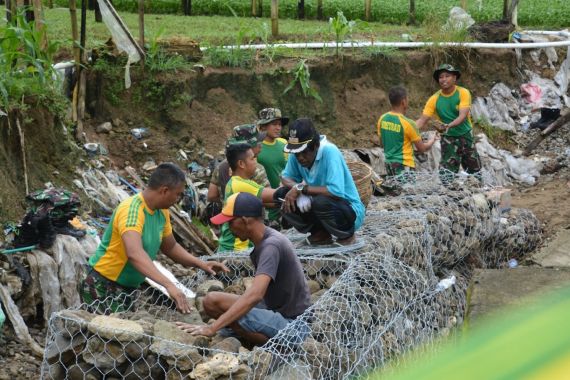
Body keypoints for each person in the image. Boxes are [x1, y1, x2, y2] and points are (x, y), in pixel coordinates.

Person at [81, 163, 228, 314]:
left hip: (127, 289)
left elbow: (170, 247)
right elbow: (134, 253)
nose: (178, 199)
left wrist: (200, 263)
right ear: (164, 190)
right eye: (178, 194)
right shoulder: (132, 210)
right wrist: (169, 285)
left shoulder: (161, 212)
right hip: (103, 285)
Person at [177, 192, 311, 345]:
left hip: (294, 325)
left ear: (245, 220)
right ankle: (242, 332)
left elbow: (255, 295)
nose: (228, 227)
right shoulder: (263, 241)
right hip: (272, 310)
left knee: (236, 317)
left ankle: (277, 348)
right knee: (211, 301)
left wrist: (212, 328)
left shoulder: (271, 246)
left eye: (230, 222)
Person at [277, 118, 365, 245]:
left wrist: (301, 189)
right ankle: (319, 232)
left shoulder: (330, 151)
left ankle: (345, 234)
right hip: (319, 205)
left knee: (321, 202)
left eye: (304, 152)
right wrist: (297, 189)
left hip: (347, 209)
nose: (300, 158)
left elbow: (335, 191)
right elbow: (285, 177)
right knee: (282, 195)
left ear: (316, 145)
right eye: (297, 154)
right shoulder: (296, 153)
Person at [416, 64, 482, 182]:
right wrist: (407, 129)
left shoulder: (463, 92)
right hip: (448, 138)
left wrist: (448, 125)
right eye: (441, 77)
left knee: (474, 168)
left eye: (447, 76)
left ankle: (478, 191)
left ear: (455, 78)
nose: (444, 79)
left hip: (465, 135)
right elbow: (422, 120)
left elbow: (462, 115)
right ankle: (451, 195)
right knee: (448, 171)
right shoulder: (434, 99)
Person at [217, 144, 276, 252]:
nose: (256, 162)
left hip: (231, 247)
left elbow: (271, 202)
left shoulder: (238, 182)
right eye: (252, 158)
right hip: (236, 249)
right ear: (241, 164)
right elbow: (275, 196)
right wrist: (297, 188)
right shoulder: (239, 185)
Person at [377, 86, 438, 177]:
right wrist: (433, 139)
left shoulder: (382, 119)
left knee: (394, 190)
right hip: (404, 167)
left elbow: (382, 143)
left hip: (388, 165)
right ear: (403, 101)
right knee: (406, 191)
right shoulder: (408, 123)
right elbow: (422, 149)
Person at [207, 124, 270, 205]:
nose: (261, 147)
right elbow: (270, 202)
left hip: (227, 214)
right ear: (248, 146)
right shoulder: (256, 169)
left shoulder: (221, 166)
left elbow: (211, 196)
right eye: (258, 143)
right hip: (251, 216)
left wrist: (227, 201)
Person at [256, 108, 289, 225]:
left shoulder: (284, 143)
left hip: (288, 202)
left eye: (280, 124)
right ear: (263, 126)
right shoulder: (256, 148)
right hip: (268, 207)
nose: (278, 128)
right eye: (274, 124)